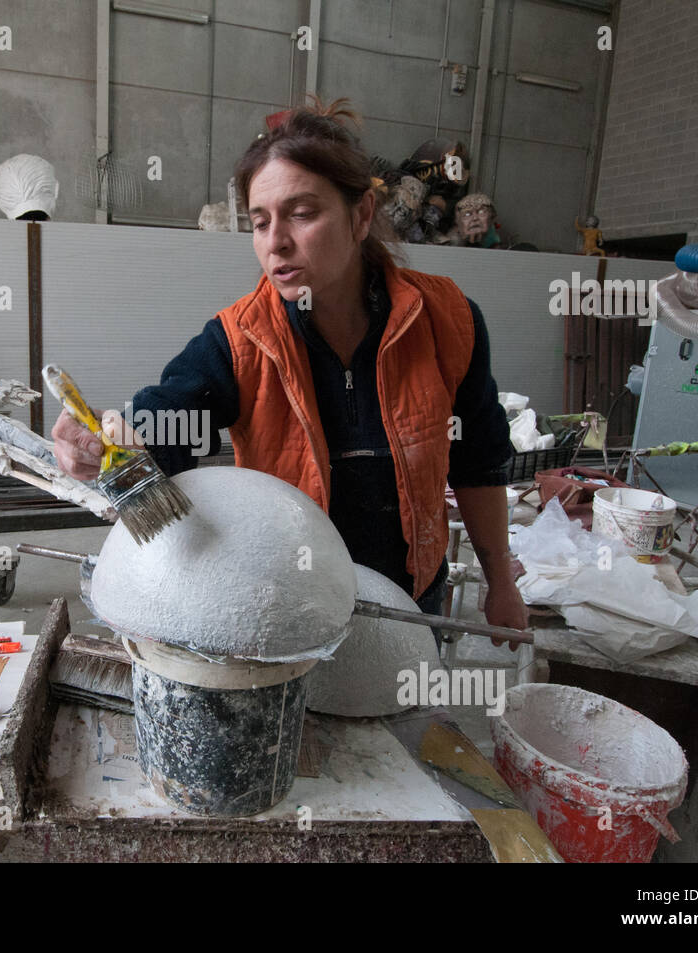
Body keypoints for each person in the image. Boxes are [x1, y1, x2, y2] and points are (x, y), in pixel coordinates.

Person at [53, 100, 528, 647]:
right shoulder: (240, 340)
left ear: (361, 216)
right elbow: (170, 418)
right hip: (290, 604)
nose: (275, 241)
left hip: (411, 606)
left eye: (301, 213)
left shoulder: (447, 321)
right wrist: (113, 439)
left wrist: (501, 582)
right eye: (260, 222)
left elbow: (479, 462)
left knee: (407, 726)